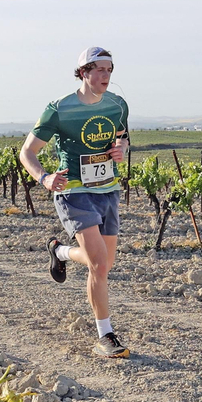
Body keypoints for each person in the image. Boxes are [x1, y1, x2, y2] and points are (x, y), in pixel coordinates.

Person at [19, 46, 131, 359]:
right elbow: (27, 152)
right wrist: (44, 178)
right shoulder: (59, 109)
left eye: (109, 70)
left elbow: (122, 136)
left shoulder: (117, 105)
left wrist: (120, 148)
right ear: (83, 72)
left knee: (105, 263)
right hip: (74, 192)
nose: (106, 76)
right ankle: (105, 336)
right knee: (99, 264)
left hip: (107, 190)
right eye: (99, 70)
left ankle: (60, 251)